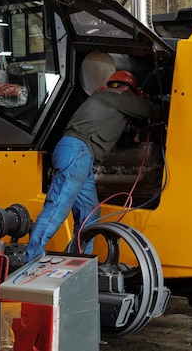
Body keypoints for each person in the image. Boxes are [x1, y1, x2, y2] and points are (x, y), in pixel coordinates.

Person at [25, 70, 164, 261]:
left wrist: (140, 135)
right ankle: (31, 258)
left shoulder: (101, 99)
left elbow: (119, 137)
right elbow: (152, 110)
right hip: (77, 152)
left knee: (89, 213)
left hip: (81, 155)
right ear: (127, 89)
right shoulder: (118, 97)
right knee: (58, 205)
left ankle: (77, 259)